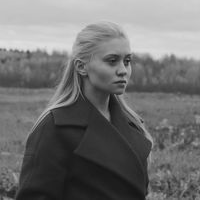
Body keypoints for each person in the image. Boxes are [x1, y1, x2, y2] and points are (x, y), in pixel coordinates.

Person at [15, 21, 153, 200]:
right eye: (112, 61)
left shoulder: (133, 123)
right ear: (81, 66)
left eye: (127, 61)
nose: (123, 70)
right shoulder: (55, 126)